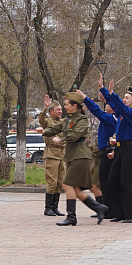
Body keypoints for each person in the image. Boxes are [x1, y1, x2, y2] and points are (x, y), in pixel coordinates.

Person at [37, 92, 108, 226]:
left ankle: (72, 216)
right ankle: (99, 207)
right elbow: (55, 128)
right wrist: (44, 132)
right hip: (72, 156)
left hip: (80, 156)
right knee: (75, 189)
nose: (64, 107)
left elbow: (75, 135)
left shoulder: (81, 119)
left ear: (74, 106)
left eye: (66, 105)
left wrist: (60, 140)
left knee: (67, 185)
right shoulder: (68, 119)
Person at [99, 74, 132, 223]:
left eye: (127, 98)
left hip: (130, 150)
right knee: (112, 181)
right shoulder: (123, 112)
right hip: (119, 149)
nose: (124, 100)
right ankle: (120, 212)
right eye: (123, 97)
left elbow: (120, 107)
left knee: (126, 182)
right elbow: (115, 104)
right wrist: (104, 90)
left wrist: (112, 94)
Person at [78, 89, 118, 220]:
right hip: (104, 152)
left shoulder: (110, 118)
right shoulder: (112, 117)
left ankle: (109, 209)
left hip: (107, 153)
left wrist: (85, 98)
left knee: (105, 183)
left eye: (107, 104)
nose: (105, 105)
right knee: (105, 183)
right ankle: (107, 208)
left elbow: (96, 110)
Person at [39, 95, 65, 217]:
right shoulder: (48, 121)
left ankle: (55, 207)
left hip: (61, 155)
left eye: (61, 109)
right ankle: (48, 208)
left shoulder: (61, 122)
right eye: (58, 110)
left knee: (60, 183)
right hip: (51, 155)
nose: (60, 111)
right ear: (51, 111)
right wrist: (45, 108)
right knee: (52, 183)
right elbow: (41, 120)